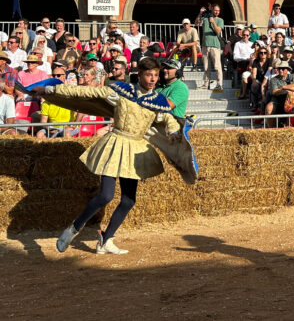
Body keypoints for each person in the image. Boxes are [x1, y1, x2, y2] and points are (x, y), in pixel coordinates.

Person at [21, 57, 196, 255]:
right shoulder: (121, 90)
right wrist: (51, 90)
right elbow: (87, 91)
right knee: (106, 195)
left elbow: (168, 119)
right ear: (140, 75)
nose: (153, 79)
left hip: (135, 150)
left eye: (156, 75)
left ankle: (106, 239)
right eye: (149, 74)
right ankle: (74, 227)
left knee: (129, 201)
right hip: (115, 144)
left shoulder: (157, 101)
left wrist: (173, 132)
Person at [196, 4, 224, 91]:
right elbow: (196, 23)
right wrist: (200, 13)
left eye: (218, 11)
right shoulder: (205, 18)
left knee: (217, 66)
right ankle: (206, 84)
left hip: (215, 46)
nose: (217, 12)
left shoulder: (220, 20)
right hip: (205, 45)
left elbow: (218, 31)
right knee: (206, 67)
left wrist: (213, 22)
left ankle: (219, 84)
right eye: (215, 10)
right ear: (212, 10)